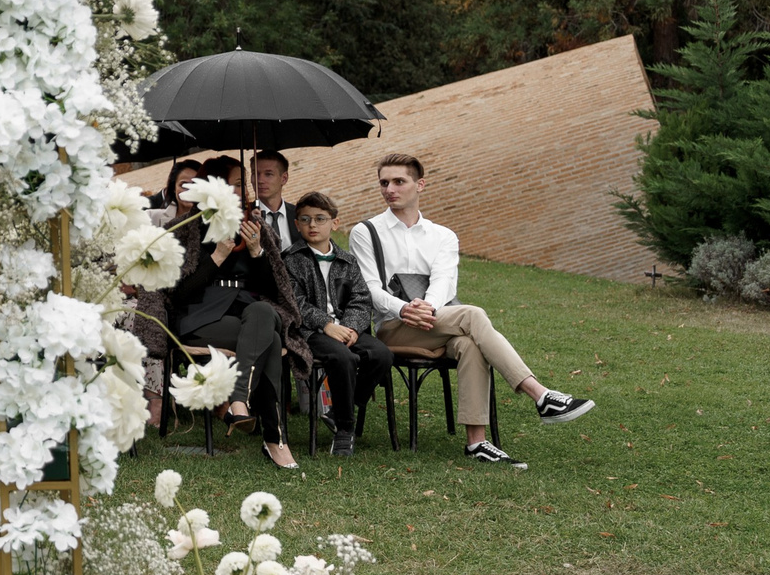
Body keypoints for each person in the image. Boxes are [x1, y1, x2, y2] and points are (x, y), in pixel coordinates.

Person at [354, 153, 595, 468]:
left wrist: (428, 308)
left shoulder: (443, 236)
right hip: (393, 327)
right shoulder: (366, 231)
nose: (390, 189)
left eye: (399, 181)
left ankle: (476, 443)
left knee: (470, 344)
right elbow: (369, 288)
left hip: (439, 319)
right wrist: (404, 308)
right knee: (473, 315)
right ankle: (540, 395)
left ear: (420, 185)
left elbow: (444, 283)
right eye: (384, 182)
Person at [167, 155, 300, 470]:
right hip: (200, 316)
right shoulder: (185, 228)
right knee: (265, 337)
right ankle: (275, 438)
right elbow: (177, 293)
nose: (246, 188)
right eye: (238, 183)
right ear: (217, 186)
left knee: (263, 314)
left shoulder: (253, 226)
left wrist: (257, 253)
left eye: (245, 183)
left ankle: (238, 400)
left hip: (248, 311)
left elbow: (274, 288)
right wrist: (217, 256)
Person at [280, 190, 389, 456]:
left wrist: (351, 327)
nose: (312, 225)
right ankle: (345, 430)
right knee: (343, 359)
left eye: (320, 219)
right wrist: (327, 325)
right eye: (305, 219)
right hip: (310, 331)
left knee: (381, 355)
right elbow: (295, 301)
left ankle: (339, 408)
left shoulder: (347, 260)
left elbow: (361, 299)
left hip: (345, 328)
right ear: (297, 224)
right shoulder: (291, 259)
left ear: (334, 223)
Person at [248, 150, 295, 256]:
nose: (260, 180)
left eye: (268, 174)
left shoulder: (298, 214)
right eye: (255, 173)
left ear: (284, 178)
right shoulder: (245, 216)